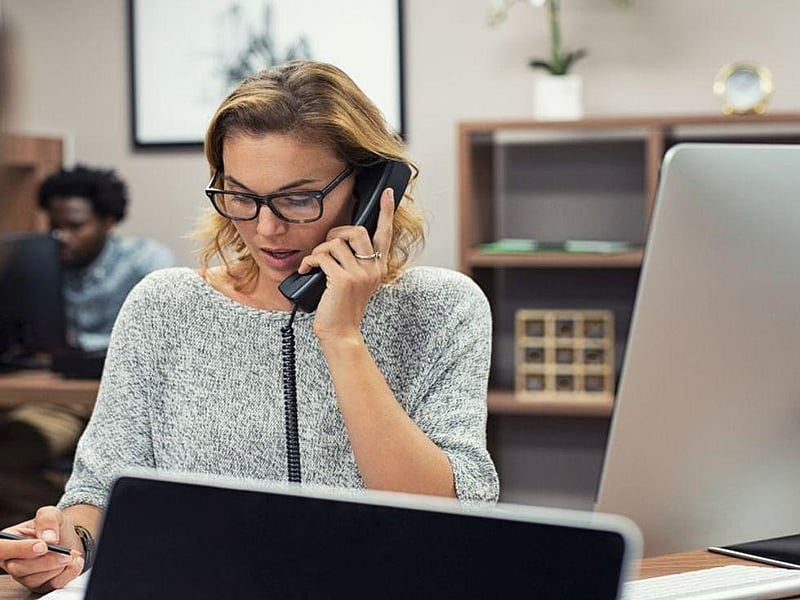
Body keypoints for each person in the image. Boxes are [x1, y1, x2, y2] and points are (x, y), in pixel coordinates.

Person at [0, 60, 498, 593]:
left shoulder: (444, 308)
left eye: (299, 197)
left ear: (372, 187)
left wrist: (342, 337)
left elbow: (443, 520)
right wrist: (67, 546)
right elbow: (97, 495)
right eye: (241, 195)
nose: (267, 227)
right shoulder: (164, 307)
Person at [0, 166, 175, 528]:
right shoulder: (38, 265)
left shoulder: (147, 261)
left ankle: (97, 530)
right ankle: (62, 530)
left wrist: (76, 346)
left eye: (75, 227)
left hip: (123, 403)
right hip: (59, 402)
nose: (62, 237)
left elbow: (159, 336)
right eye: (54, 227)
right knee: (7, 454)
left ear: (108, 222)